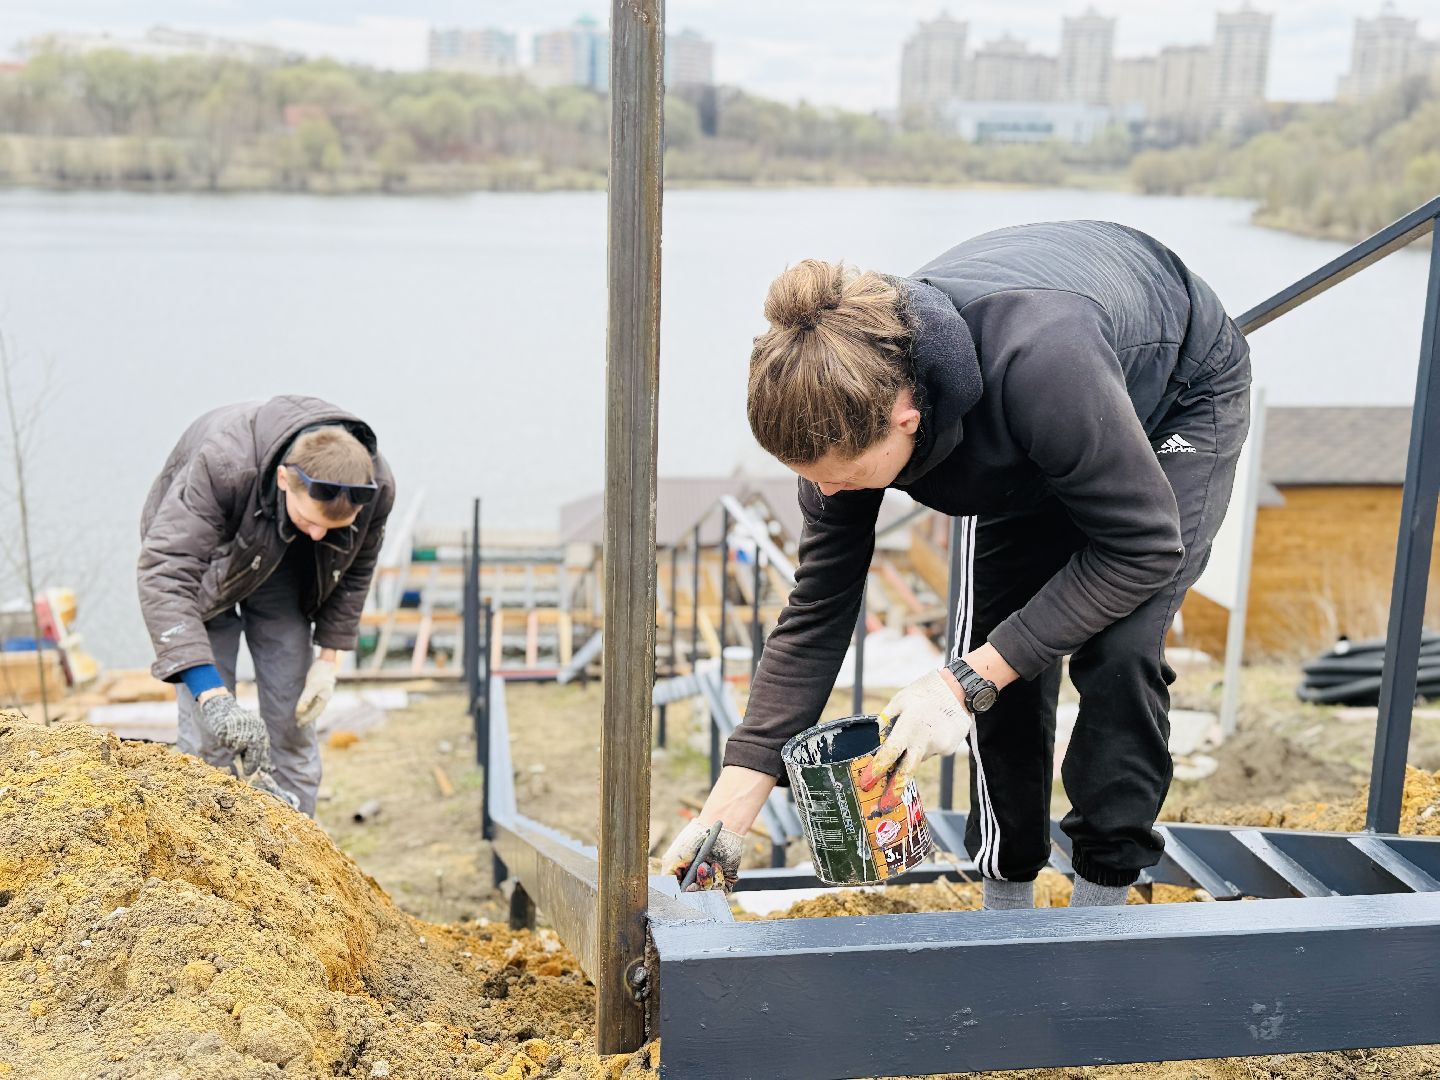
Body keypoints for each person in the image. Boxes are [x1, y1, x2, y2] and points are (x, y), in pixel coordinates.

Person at [662, 221, 1251, 906]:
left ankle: (1101, 906)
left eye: (845, 477)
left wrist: (963, 682)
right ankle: (1006, 897)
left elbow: (1142, 549)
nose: (827, 495)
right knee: (993, 647)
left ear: (905, 417)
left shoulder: (1041, 362)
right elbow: (819, 608)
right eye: (810, 478)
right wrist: (736, 794)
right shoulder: (836, 420)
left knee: (1117, 648)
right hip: (1039, 427)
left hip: (1176, 391)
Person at [138, 396, 395, 815]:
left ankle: (298, 859)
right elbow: (165, 573)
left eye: (331, 528)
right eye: (310, 520)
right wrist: (212, 694)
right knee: (210, 736)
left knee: (293, 723)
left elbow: (356, 568)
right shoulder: (224, 463)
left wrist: (329, 659)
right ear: (283, 479)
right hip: (205, 565)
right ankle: (209, 855)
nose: (317, 535)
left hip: (283, 570)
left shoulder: (375, 487)